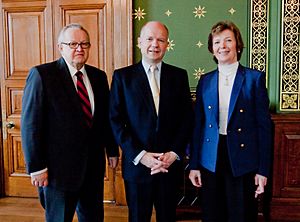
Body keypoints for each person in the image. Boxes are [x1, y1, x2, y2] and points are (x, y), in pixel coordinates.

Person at [21, 23, 119, 222]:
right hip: (58, 173)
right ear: (60, 47)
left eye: (84, 44)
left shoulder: (99, 77)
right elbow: (31, 125)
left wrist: (112, 149)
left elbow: (104, 120)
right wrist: (36, 167)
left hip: (92, 168)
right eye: (73, 44)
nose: (79, 49)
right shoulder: (42, 75)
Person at [188, 20, 272, 222]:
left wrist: (263, 171)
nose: (222, 46)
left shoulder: (254, 79)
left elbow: (264, 128)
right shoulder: (205, 81)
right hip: (211, 158)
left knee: (241, 214)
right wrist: (194, 165)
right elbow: (198, 125)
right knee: (212, 214)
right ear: (212, 48)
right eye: (217, 42)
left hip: (243, 159)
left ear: (237, 45)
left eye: (228, 40)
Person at [109, 21, 193, 222]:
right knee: (138, 218)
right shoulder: (123, 77)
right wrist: (141, 155)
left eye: (161, 40)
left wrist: (173, 154)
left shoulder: (179, 76)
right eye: (149, 39)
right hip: (138, 166)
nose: (155, 44)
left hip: (168, 165)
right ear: (139, 42)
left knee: (168, 217)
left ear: (167, 44)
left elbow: (187, 119)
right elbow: (116, 120)